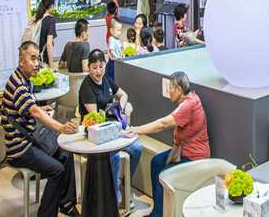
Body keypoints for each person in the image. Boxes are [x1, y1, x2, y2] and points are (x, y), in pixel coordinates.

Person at [3, 41, 80, 217]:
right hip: (19, 149)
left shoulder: (24, 80)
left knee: (66, 153)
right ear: (21, 61)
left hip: (30, 140)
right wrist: (60, 127)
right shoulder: (18, 84)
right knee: (57, 169)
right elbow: (34, 112)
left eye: (38, 59)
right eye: (32, 59)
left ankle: (66, 203)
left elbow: (27, 108)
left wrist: (41, 109)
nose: (36, 63)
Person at [126, 71, 210, 217]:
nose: (168, 91)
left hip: (194, 157)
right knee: (156, 162)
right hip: (183, 152)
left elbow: (163, 124)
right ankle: (157, 211)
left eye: (170, 87)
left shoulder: (189, 105)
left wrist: (138, 129)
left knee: (162, 176)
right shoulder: (190, 100)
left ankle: (158, 215)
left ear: (179, 89)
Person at [79, 49, 142, 205]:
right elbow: (96, 118)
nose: (98, 71)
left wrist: (119, 109)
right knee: (114, 157)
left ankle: (123, 186)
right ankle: (112, 202)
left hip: (112, 128)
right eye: (94, 67)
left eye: (101, 66)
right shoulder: (87, 87)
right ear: (88, 67)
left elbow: (123, 95)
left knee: (136, 149)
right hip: (95, 133)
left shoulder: (106, 79)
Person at [34, 0, 57, 67]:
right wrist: (51, 66)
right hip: (43, 60)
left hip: (35, 58)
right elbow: (49, 44)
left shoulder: (37, 17)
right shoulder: (50, 20)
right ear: (51, 5)